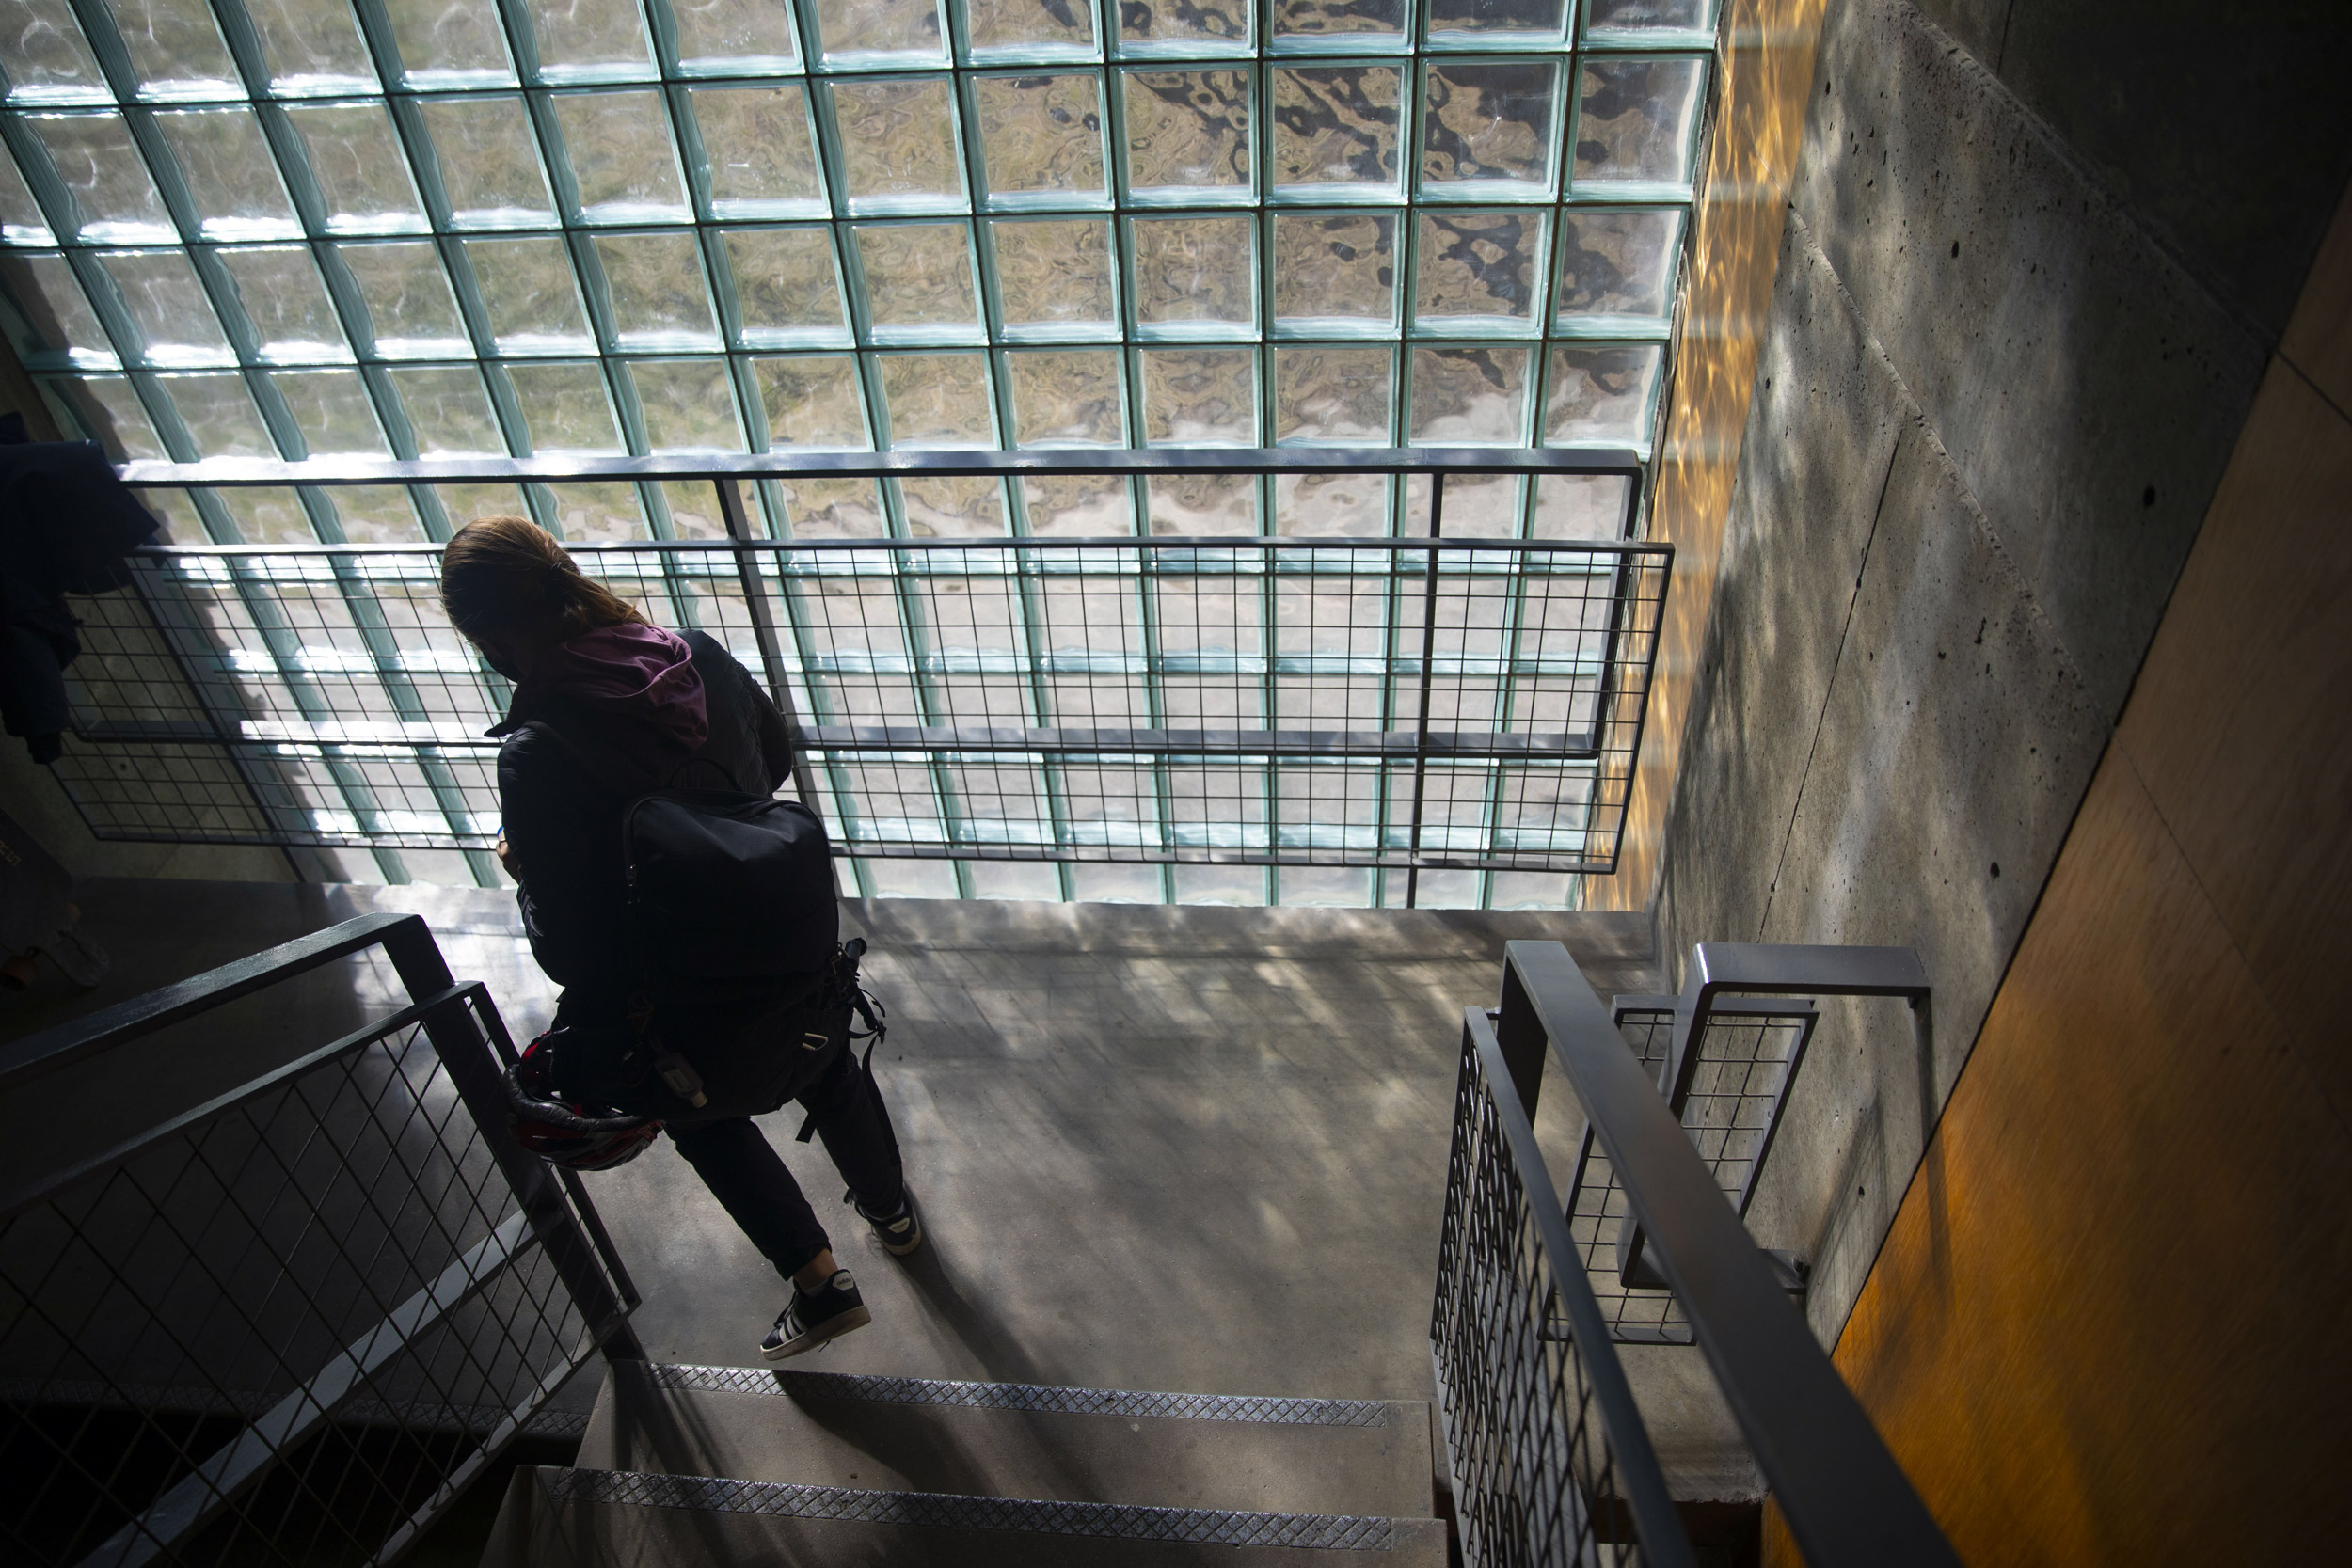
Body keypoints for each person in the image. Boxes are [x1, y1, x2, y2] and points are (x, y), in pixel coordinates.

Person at [439, 515, 918, 1360]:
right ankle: (895, 1215)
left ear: (486, 634)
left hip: (678, 990)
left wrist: (526, 871)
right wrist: (721, 832)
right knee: (830, 1066)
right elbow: (774, 755)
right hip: (788, 930)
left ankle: (820, 1283)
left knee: (695, 1111)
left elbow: (572, 947)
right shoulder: (692, 654)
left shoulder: (539, 748)